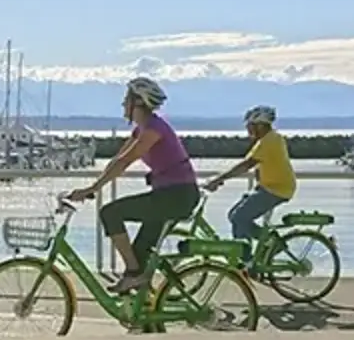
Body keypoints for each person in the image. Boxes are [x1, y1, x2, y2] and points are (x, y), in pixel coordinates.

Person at [67, 77, 200, 294]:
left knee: (110, 213)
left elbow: (125, 162)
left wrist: (92, 189)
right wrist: (93, 186)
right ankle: (143, 298)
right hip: (170, 194)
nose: (123, 104)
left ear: (138, 102)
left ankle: (133, 274)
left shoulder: (154, 129)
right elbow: (118, 159)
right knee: (139, 254)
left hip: (176, 196)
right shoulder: (142, 129)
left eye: (126, 99)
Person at [203, 105, 296, 261]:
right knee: (234, 215)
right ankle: (268, 243)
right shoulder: (269, 139)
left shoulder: (269, 141)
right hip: (270, 187)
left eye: (250, 125)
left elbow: (246, 165)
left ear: (260, 125)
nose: (247, 129)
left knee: (239, 217)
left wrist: (218, 179)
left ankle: (245, 259)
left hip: (276, 189)